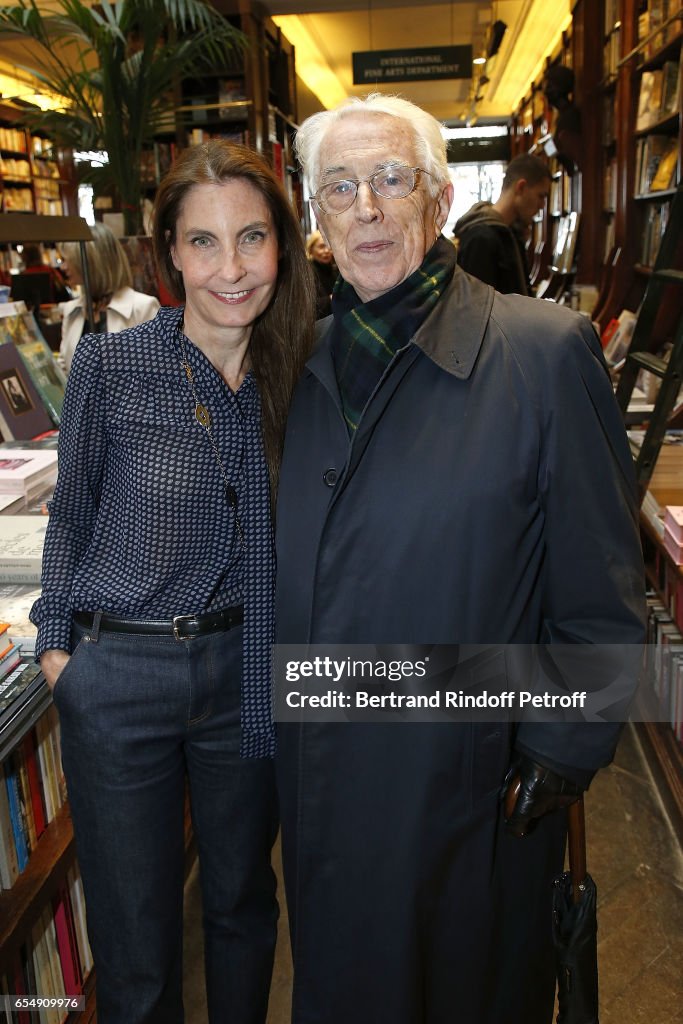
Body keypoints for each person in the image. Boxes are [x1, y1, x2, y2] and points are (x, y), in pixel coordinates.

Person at [274, 94, 645, 1024]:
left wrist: (557, 755)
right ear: (316, 222)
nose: (365, 207)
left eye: (390, 180)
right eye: (339, 188)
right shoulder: (300, 365)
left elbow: (603, 593)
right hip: (327, 797)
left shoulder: (540, 353)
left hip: (467, 803)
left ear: (437, 200)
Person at [30, 140, 315, 1024]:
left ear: (283, 245)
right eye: (203, 242)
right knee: (136, 939)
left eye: (252, 238)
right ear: (168, 254)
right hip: (121, 678)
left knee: (240, 906)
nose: (230, 268)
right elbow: (70, 515)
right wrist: (55, 651)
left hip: (247, 672)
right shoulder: (114, 368)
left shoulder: (304, 373)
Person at [59, 222, 160, 371]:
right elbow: (64, 366)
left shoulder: (143, 308)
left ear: (92, 263)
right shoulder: (72, 310)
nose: (63, 267)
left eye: (69, 261)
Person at [453, 152, 552, 294]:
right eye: (540, 196)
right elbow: (476, 309)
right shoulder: (481, 239)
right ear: (521, 187)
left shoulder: (510, 234)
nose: (542, 205)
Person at [305, 229, 337, 317]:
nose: (327, 251)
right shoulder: (306, 273)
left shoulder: (334, 270)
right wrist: (332, 298)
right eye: (321, 247)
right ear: (311, 249)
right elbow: (307, 307)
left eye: (329, 246)